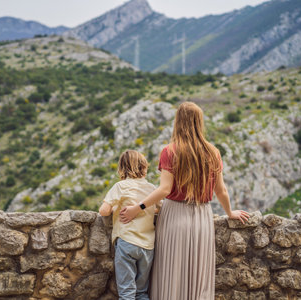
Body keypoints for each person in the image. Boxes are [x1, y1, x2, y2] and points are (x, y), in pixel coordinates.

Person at [120, 101, 249, 300]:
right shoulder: (213, 152)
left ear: (178, 122)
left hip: (174, 216)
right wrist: (229, 213)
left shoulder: (170, 151)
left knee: (171, 274)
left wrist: (138, 208)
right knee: (198, 276)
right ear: (199, 122)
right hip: (202, 218)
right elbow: (221, 190)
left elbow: (164, 189)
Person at [99, 150, 158, 300]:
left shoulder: (120, 186)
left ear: (122, 168)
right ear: (144, 167)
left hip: (127, 242)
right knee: (141, 292)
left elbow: (104, 211)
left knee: (127, 292)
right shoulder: (151, 188)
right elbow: (159, 207)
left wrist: (114, 208)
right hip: (147, 246)